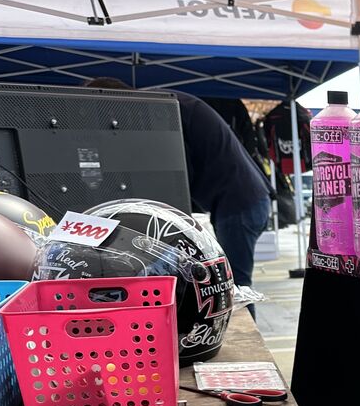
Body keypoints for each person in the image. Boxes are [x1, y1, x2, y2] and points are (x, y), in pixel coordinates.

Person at [85, 78, 272, 308]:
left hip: (240, 203)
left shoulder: (159, 110)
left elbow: (176, 176)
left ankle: (240, 331)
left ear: (110, 102)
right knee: (230, 286)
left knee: (232, 289)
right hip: (243, 199)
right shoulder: (161, 103)